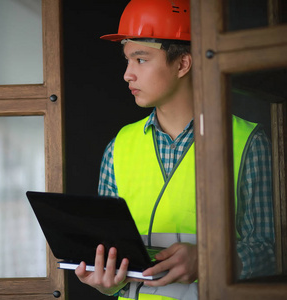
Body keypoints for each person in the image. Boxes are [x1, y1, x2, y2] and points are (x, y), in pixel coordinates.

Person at [74, 0, 276, 299]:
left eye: (140, 59)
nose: (127, 74)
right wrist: (104, 279)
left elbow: (270, 252)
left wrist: (208, 261)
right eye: (127, 60)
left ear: (182, 63)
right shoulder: (119, 146)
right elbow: (111, 257)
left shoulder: (248, 141)